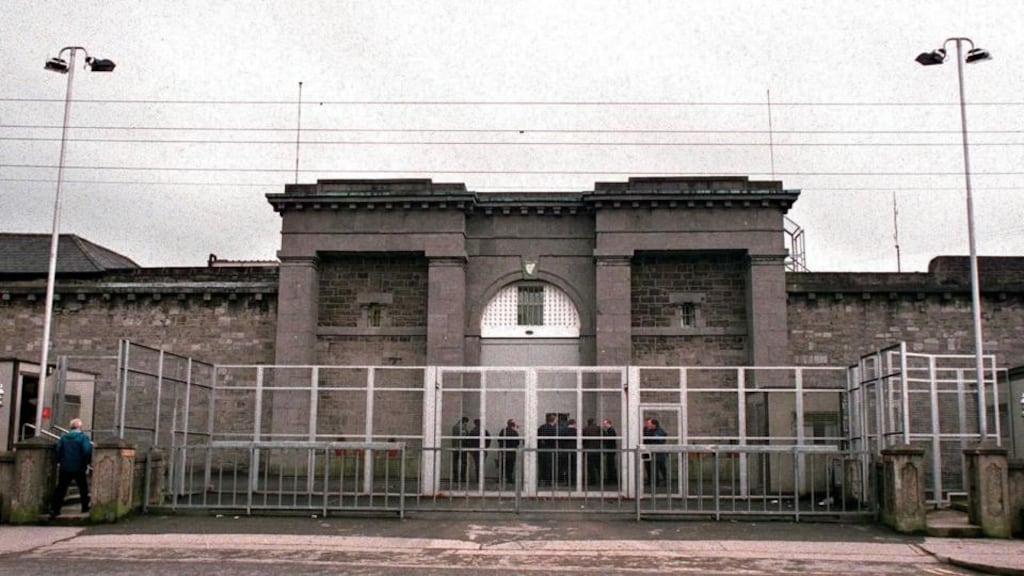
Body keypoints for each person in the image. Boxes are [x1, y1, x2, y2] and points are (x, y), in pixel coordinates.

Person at [50, 418, 92, 518]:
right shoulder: (83, 437)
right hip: (79, 467)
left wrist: (60, 461)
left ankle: (55, 509)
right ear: (80, 427)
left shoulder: (63, 438)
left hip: (65, 467)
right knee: (83, 487)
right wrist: (86, 463)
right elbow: (86, 451)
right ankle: (85, 506)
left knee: (61, 488)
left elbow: (58, 450)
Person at [643, 417, 668, 486]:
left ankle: (658, 482)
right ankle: (651, 481)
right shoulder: (646, 430)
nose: (648, 425)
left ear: (654, 425)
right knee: (649, 466)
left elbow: (660, 439)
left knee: (659, 467)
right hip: (648, 450)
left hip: (658, 452)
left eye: (649, 424)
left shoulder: (659, 431)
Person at [536, 413, 558, 486]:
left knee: (542, 466)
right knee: (549, 466)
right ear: (553, 420)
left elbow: (538, 438)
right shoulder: (554, 429)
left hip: (542, 449)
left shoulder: (541, 427)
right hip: (550, 449)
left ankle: (540, 480)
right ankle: (548, 481)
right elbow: (553, 439)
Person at [497, 418, 520, 485]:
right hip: (511, 451)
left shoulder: (503, 431)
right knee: (510, 466)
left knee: (503, 466)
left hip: (504, 451)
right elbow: (517, 442)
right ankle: (509, 478)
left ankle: (501, 478)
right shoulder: (514, 432)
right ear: (513, 425)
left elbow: (499, 440)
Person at [467, 418, 491, 482]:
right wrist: (486, 447)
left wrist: (471, 449)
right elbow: (488, 439)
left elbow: (469, 441)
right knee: (482, 464)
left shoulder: (472, 431)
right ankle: (481, 478)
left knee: (477, 464)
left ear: (475, 423)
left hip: (475, 450)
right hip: (483, 449)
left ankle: (478, 478)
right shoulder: (484, 431)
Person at [582, 417, 602, 486]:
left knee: (590, 467)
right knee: (598, 465)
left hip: (588, 450)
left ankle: (593, 480)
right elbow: (604, 437)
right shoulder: (599, 428)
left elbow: (582, 440)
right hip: (597, 449)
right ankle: (601, 479)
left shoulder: (585, 429)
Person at [451, 416, 469, 485]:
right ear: (465, 421)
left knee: (455, 463)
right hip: (462, 448)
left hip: (455, 447)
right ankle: (462, 477)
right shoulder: (462, 427)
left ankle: (455, 477)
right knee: (464, 463)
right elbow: (464, 437)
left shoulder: (454, 426)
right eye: (466, 423)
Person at [601, 418, 619, 484]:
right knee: (610, 464)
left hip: (610, 449)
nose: (604, 425)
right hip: (611, 449)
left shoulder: (610, 430)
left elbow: (610, 440)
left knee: (610, 464)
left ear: (608, 423)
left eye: (605, 423)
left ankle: (612, 479)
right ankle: (612, 478)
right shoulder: (610, 430)